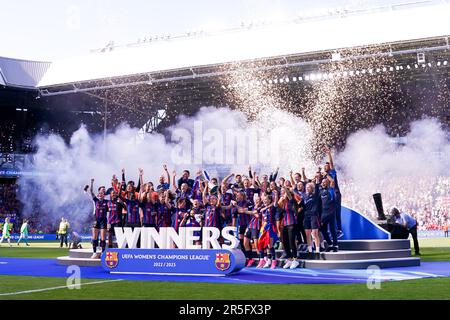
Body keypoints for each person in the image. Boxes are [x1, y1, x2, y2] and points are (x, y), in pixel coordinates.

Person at [90, 178, 109, 258]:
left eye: (102, 193)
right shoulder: (95, 200)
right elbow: (91, 191)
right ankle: (94, 252)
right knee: (94, 237)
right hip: (96, 220)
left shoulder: (107, 202)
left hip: (103, 221)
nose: (100, 194)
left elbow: (109, 211)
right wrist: (92, 182)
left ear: (104, 195)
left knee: (103, 238)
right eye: (99, 193)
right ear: (98, 195)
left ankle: (102, 253)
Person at [319, 173, 338, 252]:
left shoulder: (330, 189)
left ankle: (335, 246)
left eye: (324, 182)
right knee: (322, 230)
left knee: (332, 230)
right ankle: (330, 244)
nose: (323, 183)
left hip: (331, 213)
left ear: (327, 183)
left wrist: (326, 175)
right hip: (323, 214)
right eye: (322, 182)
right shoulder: (320, 191)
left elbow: (332, 181)